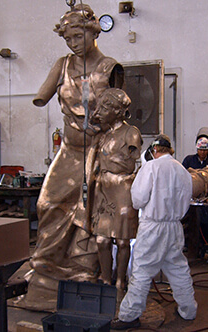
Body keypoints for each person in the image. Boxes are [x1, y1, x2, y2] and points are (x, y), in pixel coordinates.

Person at [22, 4, 124, 311]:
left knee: (89, 213)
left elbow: (119, 112)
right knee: (47, 204)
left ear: (93, 32)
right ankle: (46, 269)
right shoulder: (63, 64)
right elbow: (42, 96)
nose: (72, 42)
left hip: (97, 149)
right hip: (68, 149)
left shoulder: (110, 67)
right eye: (67, 38)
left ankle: (82, 271)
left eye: (78, 35)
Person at [111, 134, 198, 330]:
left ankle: (129, 316)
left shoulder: (150, 167)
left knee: (141, 271)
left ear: (154, 151)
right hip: (174, 227)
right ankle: (189, 310)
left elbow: (138, 200)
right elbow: (186, 200)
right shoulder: (182, 171)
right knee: (178, 269)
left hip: (153, 227)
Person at [88, 88, 142, 304]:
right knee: (101, 239)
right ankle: (105, 280)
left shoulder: (131, 133)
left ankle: (120, 282)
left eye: (105, 108)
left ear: (118, 111)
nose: (100, 112)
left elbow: (130, 161)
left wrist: (111, 168)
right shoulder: (104, 135)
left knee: (122, 241)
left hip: (122, 190)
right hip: (104, 191)